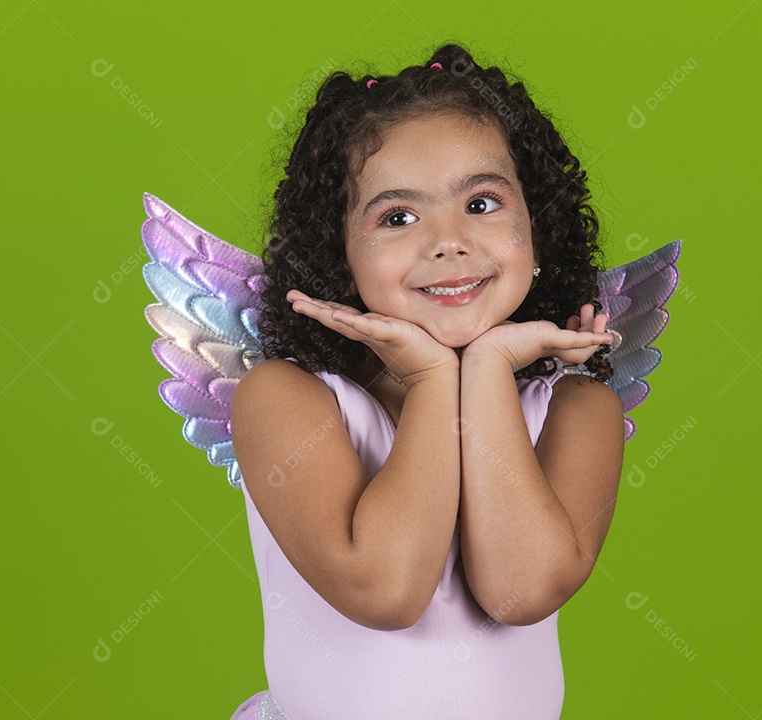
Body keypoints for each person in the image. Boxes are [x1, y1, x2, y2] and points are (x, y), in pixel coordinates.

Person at [227, 42, 625, 719]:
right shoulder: (285, 399)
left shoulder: (576, 407)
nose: (448, 240)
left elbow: (522, 591)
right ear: (338, 254)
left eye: (482, 203)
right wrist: (437, 378)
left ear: (539, 226)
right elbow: (386, 591)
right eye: (398, 217)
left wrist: (488, 369)